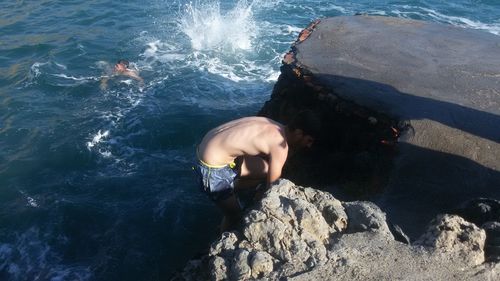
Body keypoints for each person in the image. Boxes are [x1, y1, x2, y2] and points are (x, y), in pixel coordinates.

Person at [194, 111, 321, 232]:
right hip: (212, 168)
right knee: (235, 215)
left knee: (267, 170)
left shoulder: (273, 125)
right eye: (309, 140)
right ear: (299, 133)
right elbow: (274, 190)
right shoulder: (280, 147)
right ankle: (221, 244)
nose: (309, 145)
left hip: (210, 149)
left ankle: (232, 187)